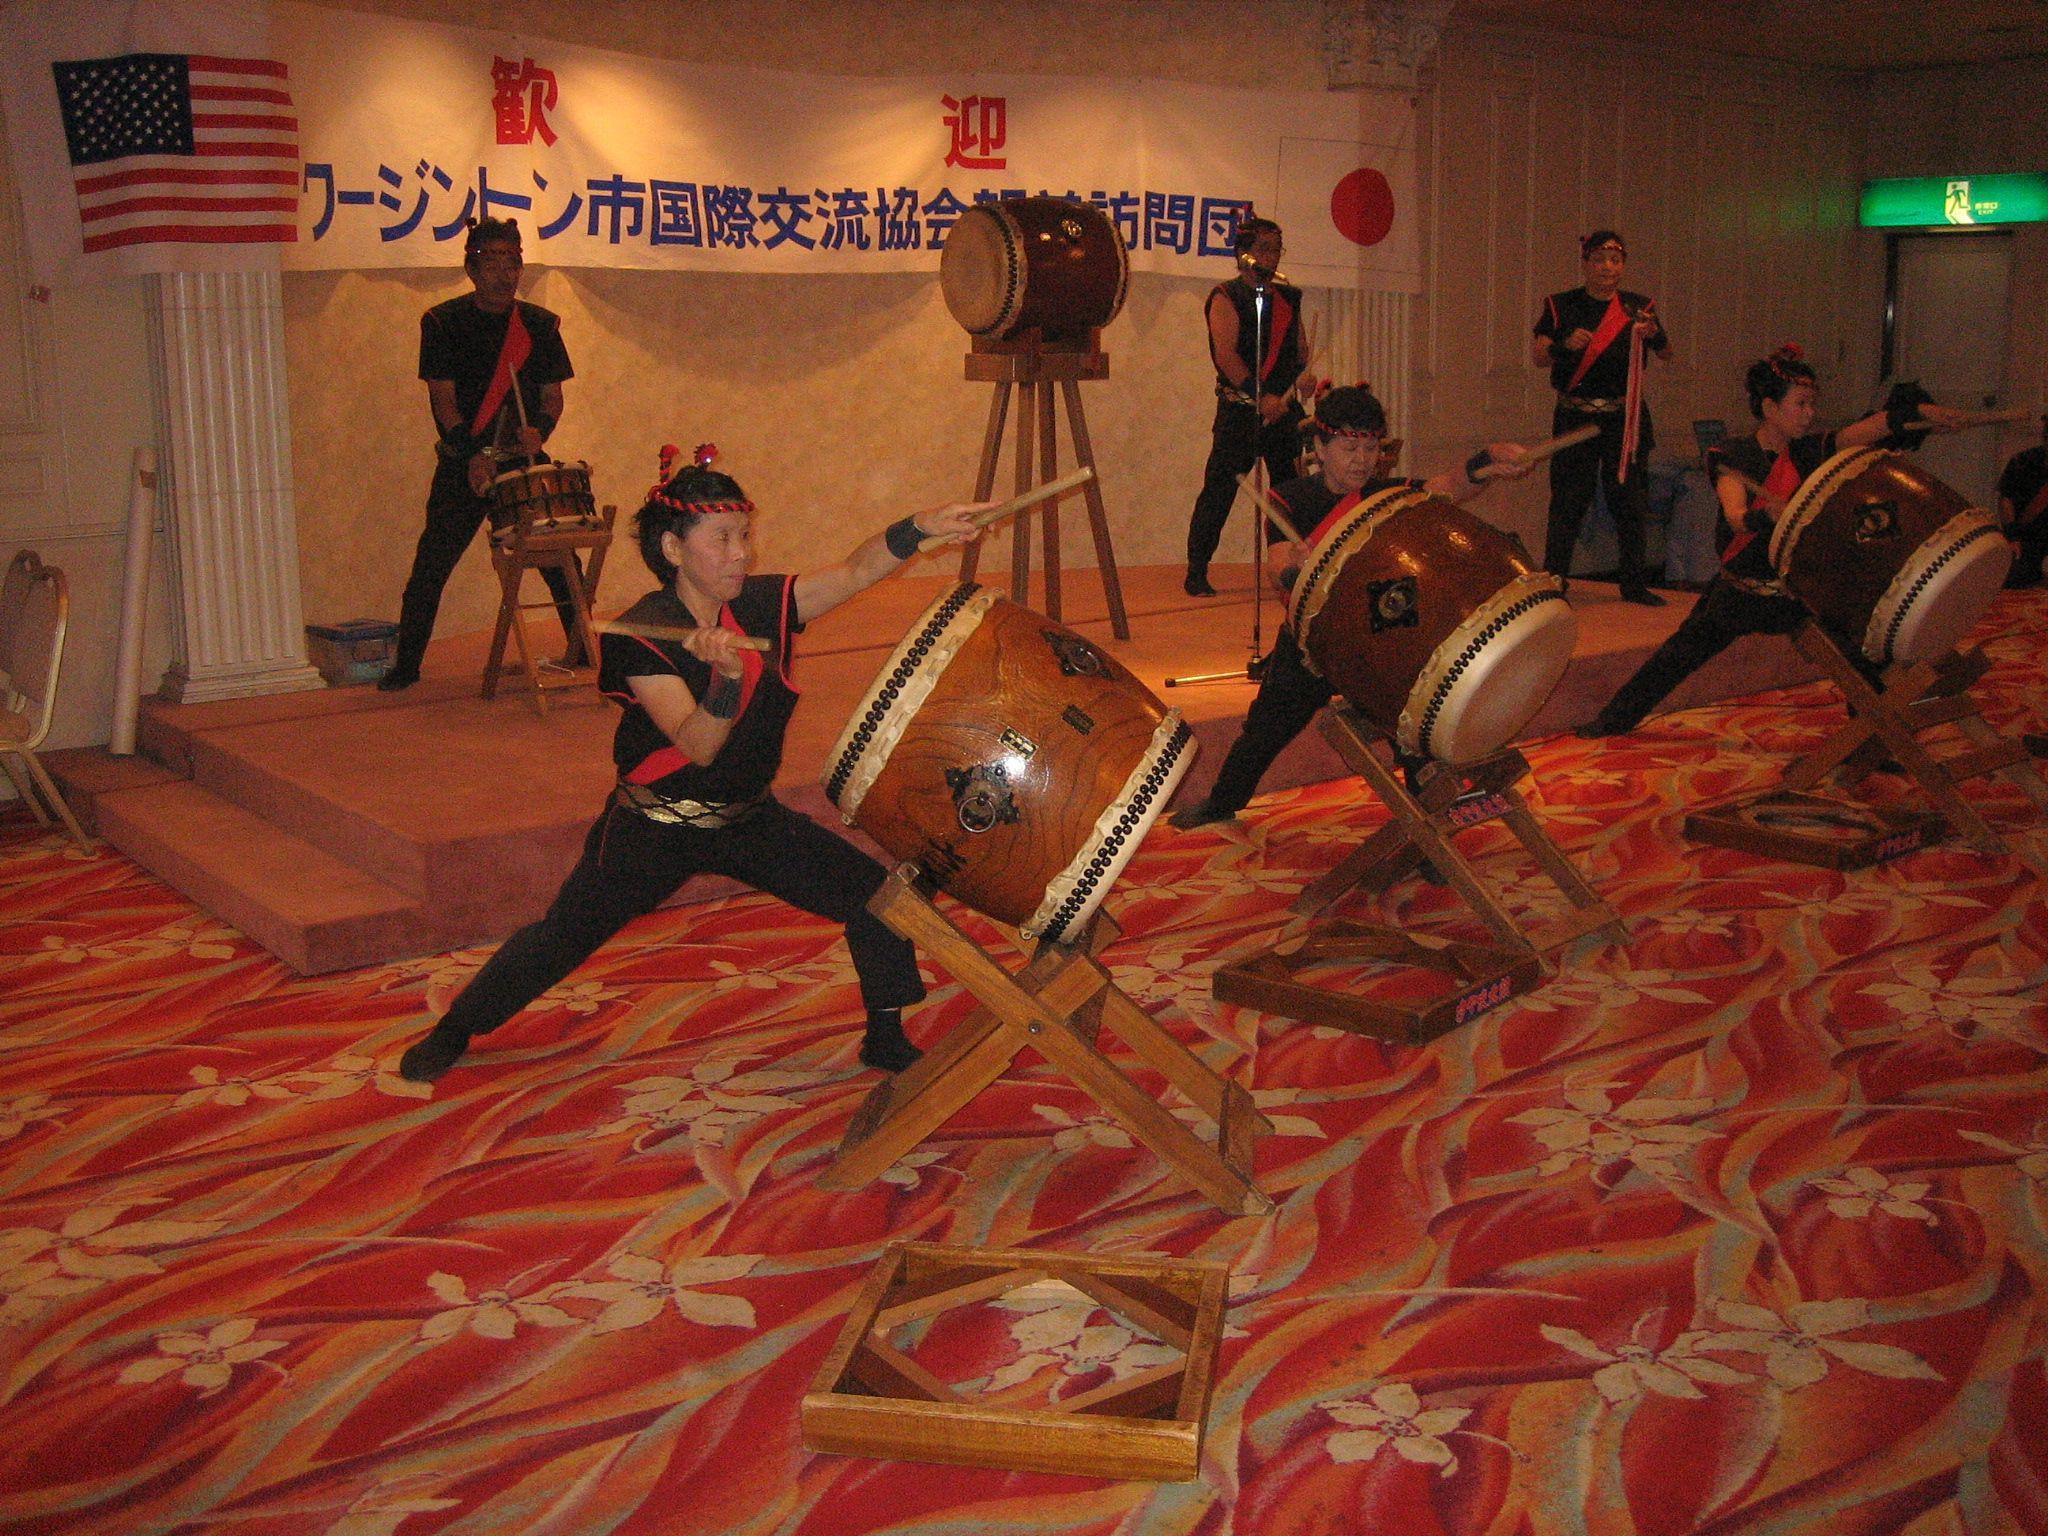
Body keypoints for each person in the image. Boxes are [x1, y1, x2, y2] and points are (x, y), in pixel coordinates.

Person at [395, 447, 984, 1084]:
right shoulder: (640, 632)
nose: (741, 554)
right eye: (722, 539)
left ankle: (885, 1034)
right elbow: (699, 744)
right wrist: (726, 680)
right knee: (559, 939)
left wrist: (922, 527)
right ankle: (456, 1027)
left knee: (877, 902)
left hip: (747, 818)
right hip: (653, 828)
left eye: (744, 536)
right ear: (673, 549)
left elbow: (854, 569)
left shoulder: (758, 604)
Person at [1167, 385, 1532, 830]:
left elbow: (1446, 488)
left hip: (1384, 635)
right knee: (1265, 727)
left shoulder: (1387, 493)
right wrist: (1294, 573)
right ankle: (1223, 801)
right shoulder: (1290, 498)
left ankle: (1428, 832)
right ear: (1319, 447)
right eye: (1349, 447)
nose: (1362, 459)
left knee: (1414, 734)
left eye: (1371, 447)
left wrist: (1487, 460)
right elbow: (1278, 560)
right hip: (1317, 639)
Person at [1575, 347, 1969, 739]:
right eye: (1800, 404)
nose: (1810, 413)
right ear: (1769, 408)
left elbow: (1870, 428)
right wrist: (1765, 516)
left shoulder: (1811, 449)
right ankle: (1612, 721)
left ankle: (1875, 740)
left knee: (1859, 653)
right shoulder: (1732, 454)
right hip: (1743, 592)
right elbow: (1734, 516)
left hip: (1798, 592)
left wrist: (1927, 413)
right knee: (1677, 657)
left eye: (1812, 404)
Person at [381, 217, 583, 691]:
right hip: (463, 460)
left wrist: (540, 431)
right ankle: (406, 665)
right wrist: (472, 454)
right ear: (471, 266)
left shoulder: (539, 324)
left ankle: (582, 649)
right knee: (432, 566)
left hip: (520, 462)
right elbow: (443, 400)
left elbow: (552, 399)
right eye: (490, 261)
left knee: (561, 562)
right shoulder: (442, 322)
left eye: (511, 261)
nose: (502, 272)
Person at [1183, 214, 1320, 598]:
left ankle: (1294, 565)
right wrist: (1261, 398)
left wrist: (1299, 384)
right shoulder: (1226, 297)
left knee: (1292, 491)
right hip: (1241, 410)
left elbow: (1300, 352)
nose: (1272, 257)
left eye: (1276, 249)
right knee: (1220, 489)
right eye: (1264, 248)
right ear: (1242, 252)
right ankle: (1197, 568)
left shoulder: (1289, 297)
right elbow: (1225, 356)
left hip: (1281, 412)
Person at [1531, 230, 1671, 606]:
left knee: (1628, 500)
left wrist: (1653, 333)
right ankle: (1555, 578)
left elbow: (1667, 352)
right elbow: (1540, 355)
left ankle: (1634, 583)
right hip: (1576, 415)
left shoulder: (1638, 307)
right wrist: (1565, 346)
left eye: (1615, 260)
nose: (1607, 268)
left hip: (1622, 419)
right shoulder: (1561, 305)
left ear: (1623, 266)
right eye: (1599, 260)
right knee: (1568, 499)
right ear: (1586, 263)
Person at [1995, 414, 2048, 588]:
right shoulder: (2023, 462)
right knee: (2014, 576)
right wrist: (2012, 535)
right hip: (2028, 534)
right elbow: (2006, 499)